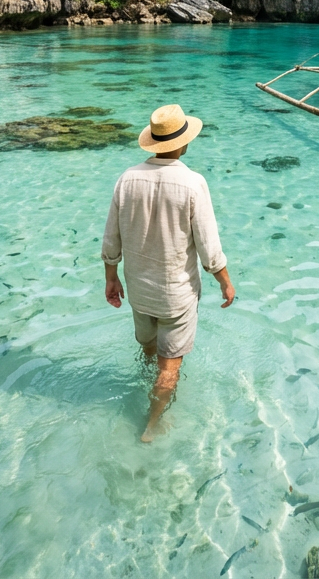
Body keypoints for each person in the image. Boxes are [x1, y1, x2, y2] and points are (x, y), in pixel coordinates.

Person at [101, 103, 234, 442]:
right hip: (176, 295)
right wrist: (225, 283)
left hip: (139, 291)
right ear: (182, 142)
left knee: (148, 350)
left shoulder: (127, 179)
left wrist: (110, 277)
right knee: (169, 367)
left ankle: (143, 393)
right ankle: (153, 423)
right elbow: (208, 244)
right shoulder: (192, 183)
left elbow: (111, 236)